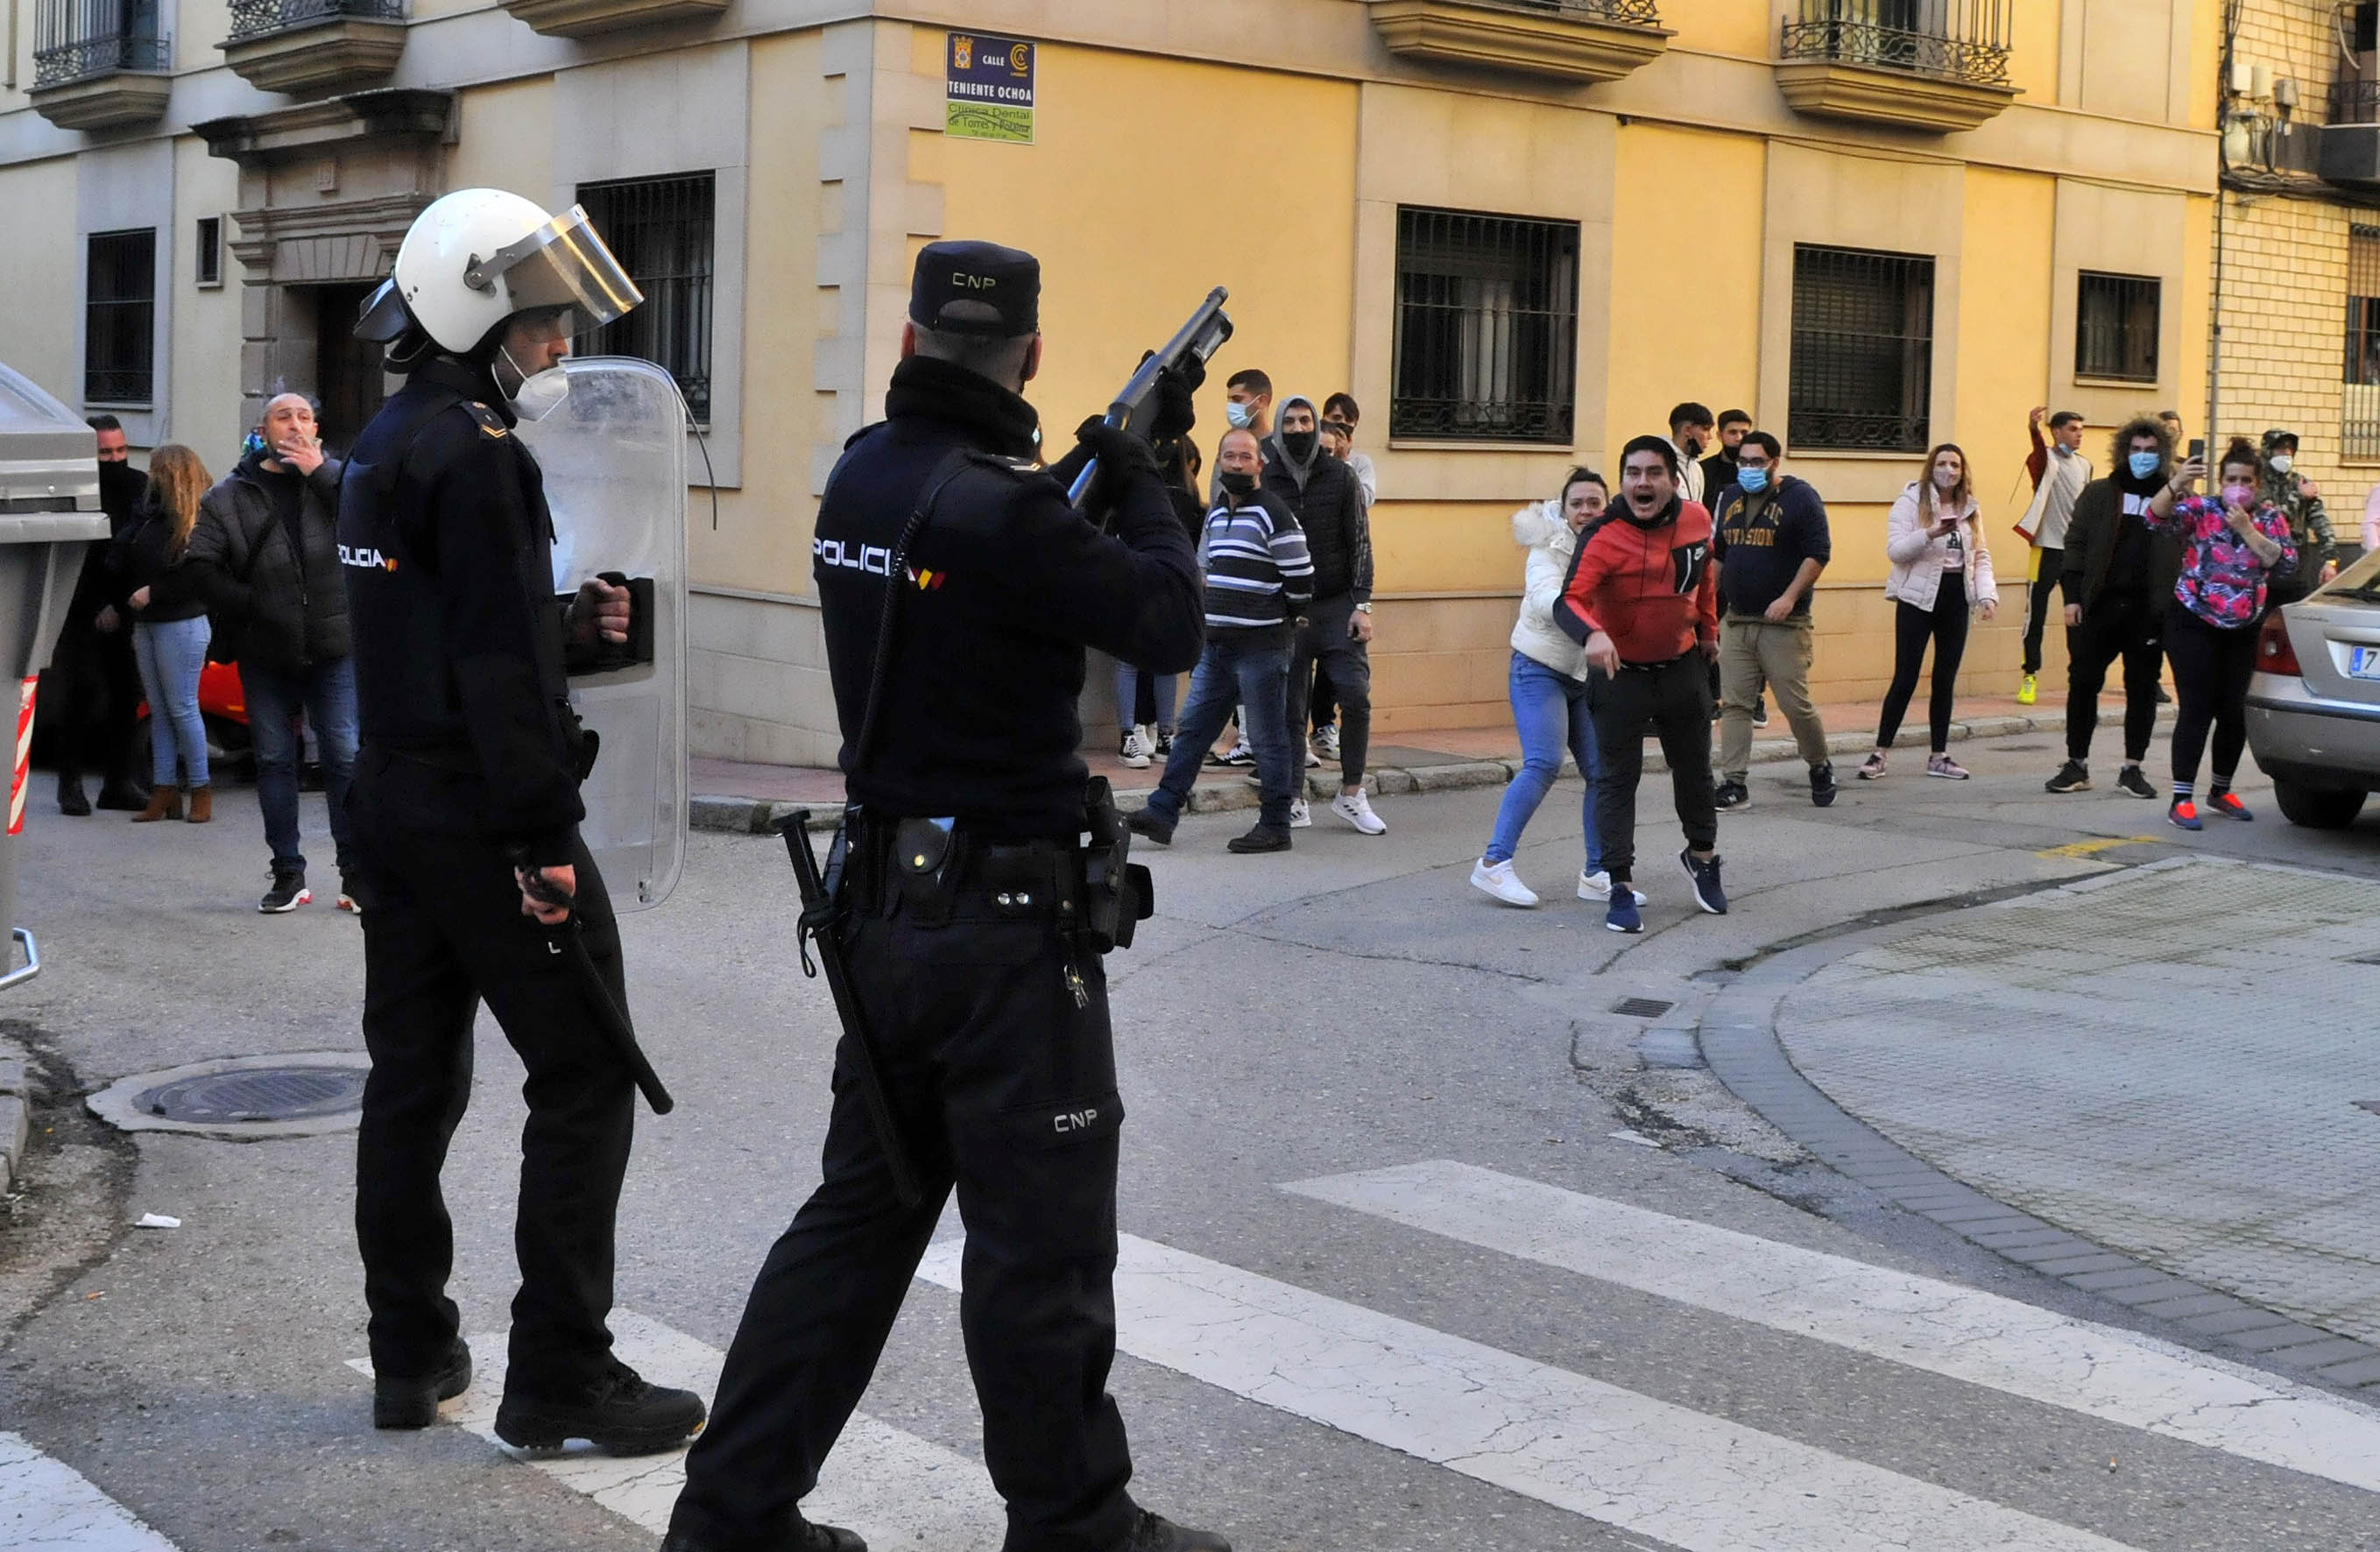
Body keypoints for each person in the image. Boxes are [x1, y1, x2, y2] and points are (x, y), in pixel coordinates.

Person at [667, 239, 1224, 1552]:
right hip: (1007, 941)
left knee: (855, 1224)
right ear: (1028, 356)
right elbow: (1168, 622)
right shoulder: (1011, 509)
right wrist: (1142, 478)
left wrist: (1088, 482)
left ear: (909, 343)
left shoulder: (866, 472)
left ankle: (731, 1514)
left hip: (884, 919)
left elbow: (988, 597)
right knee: (1040, 1252)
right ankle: (1073, 1522)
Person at [337, 189, 705, 1455]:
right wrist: (547, 841)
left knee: (414, 1081)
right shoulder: (481, 454)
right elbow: (492, 674)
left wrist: (563, 629)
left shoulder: (386, 440)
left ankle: (409, 1355)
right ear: (478, 318)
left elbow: (439, 637)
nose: (559, 346)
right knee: (589, 1074)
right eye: (543, 325)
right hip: (484, 816)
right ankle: (560, 1373)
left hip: (391, 800)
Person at [187, 393, 361, 912]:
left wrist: (322, 474)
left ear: (317, 429)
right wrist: (252, 604)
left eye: (305, 416)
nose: (295, 425)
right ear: (262, 430)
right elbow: (199, 565)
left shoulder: (340, 482)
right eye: (283, 417)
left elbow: (374, 525)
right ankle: (288, 873)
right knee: (274, 759)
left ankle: (356, 872)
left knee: (345, 755)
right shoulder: (230, 496)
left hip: (334, 645)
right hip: (266, 650)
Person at [1554, 436, 1724, 934]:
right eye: (1632, 473)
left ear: (1673, 480)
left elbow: (1705, 579)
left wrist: (1709, 630)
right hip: (1619, 674)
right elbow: (1568, 601)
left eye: (1653, 473)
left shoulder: (1696, 519)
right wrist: (1592, 633)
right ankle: (1620, 884)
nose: (1641, 483)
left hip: (1680, 666)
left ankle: (1703, 856)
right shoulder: (1604, 534)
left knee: (1695, 772)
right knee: (1615, 780)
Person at [1128, 425, 1311, 850]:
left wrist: (1284, 615)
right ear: (1218, 462)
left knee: (1268, 739)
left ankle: (1276, 825)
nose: (1236, 464)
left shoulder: (1274, 513)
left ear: (1260, 465)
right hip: (1217, 647)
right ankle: (1162, 812)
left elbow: (1302, 578)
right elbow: (1204, 571)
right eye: (1229, 456)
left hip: (1262, 648)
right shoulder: (1215, 514)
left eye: (1245, 456)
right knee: (1193, 731)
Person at [1470, 469, 1642, 909]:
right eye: (1577, 503)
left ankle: (1597, 872)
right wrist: (1588, 621)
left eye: (1594, 503)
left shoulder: (1616, 543)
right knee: (1544, 762)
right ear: (1563, 509)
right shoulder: (1547, 548)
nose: (1586, 511)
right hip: (1538, 668)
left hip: (1586, 675)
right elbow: (1547, 599)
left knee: (1601, 772)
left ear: (1607, 505)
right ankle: (1494, 863)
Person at [2144, 439, 2294, 829]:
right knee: (2197, 707)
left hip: (2244, 627)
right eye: (2231, 479)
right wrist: (2177, 481)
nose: (2238, 486)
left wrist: (2246, 529)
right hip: (2194, 620)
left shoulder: (2270, 518)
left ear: (2257, 484)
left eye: (2246, 480)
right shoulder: (2201, 510)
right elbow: (2154, 518)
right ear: (2220, 480)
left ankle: (2220, 790)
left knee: (2232, 712)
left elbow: (2283, 563)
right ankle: (2181, 798)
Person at [1267, 394, 1386, 835]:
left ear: (1317, 427)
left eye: (1305, 421)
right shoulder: (1267, 479)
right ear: (1279, 426)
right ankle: (1294, 797)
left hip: (1338, 605)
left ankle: (1352, 793)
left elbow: (1360, 542)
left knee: (1355, 695)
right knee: (1290, 710)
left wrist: (1363, 604)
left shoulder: (1341, 476)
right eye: (1290, 421)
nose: (1298, 429)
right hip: (1286, 610)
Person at [2046, 415, 2181, 797]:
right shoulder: (2100, 493)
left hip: (2148, 612)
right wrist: (2071, 597)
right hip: (2099, 605)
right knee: (2083, 681)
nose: (2142, 457)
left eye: (2150, 452)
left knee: (2141, 688)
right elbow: (2074, 545)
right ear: (2123, 452)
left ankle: (2132, 768)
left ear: (2163, 455)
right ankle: (2077, 764)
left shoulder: (2176, 501)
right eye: (2135, 450)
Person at [1708, 433, 1833, 808]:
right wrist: (1704, 605)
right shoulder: (1730, 497)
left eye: (1756, 462)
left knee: (1795, 705)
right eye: (1743, 462)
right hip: (1738, 620)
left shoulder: (1800, 498)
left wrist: (1789, 597)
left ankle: (1819, 764)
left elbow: (1818, 554)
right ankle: (1734, 782)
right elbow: (1720, 554)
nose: (1748, 469)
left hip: (1784, 624)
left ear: (1775, 462)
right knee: (1735, 705)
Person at [1861, 443, 1999, 780]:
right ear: (1930, 467)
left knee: (1945, 678)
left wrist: (1987, 595)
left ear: (1963, 471)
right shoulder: (1911, 501)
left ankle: (1939, 755)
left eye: (1955, 464)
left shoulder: (1971, 508)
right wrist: (1931, 533)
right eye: (1942, 463)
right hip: (1917, 598)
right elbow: (1896, 551)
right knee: (1905, 676)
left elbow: (1980, 555)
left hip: (1955, 596)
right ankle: (1880, 752)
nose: (1948, 470)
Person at [47, 414, 150, 815]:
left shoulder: (139, 486)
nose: (115, 459)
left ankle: (118, 783)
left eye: (121, 450)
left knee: (127, 694)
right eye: (105, 452)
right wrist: (94, 605)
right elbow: (69, 556)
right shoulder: (74, 489)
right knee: (83, 693)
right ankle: (69, 783)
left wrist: (124, 602)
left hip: (127, 608)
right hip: (80, 609)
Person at [117, 445, 215, 824]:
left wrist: (153, 592)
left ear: (171, 474)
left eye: (158, 470)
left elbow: (198, 575)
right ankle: (164, 790)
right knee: (161, 711)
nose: (150, 476)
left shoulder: (196, 520)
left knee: (182, 708)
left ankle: (200, 789)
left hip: (180, 622)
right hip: (151, 622)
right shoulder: (153, 516)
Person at [1112, 438, 1204, 768]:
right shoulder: (1189, 495)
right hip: (1167, 582)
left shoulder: (1145, 490)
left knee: (1132, 660)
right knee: (1160, 661)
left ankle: (1134, 735)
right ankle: (1161, 735)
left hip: (1139, 576)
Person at [2016, 408, 2091, 706]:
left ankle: (2079, 678)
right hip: (2045, 549)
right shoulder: (2045, 460)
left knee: (2077, 617)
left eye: (2081, 429)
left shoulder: (2085, 466)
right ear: (2057, 431)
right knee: (2034, 616)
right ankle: (2029, 676)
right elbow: (2036, 453)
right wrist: (2033, 429)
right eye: (2073, 429)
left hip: (2074, 554)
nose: (2079, 434)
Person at [2257, 427, 2336, 607]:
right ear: (2267, 450)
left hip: (2296, 572)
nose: (2286, 453)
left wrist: (2330, 560)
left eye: (2290, 448)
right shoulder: (2255, 482)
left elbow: (2321, 522)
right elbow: (2271, 521)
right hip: (2262, 572)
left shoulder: (2300, 482)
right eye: (2280, 448)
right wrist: (2298, 496)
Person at [1667, 401, 1716, 507]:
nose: (1710, 436)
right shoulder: (1660, 464)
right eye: (1706, 429)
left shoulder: (1696, 468)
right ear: (1687, 430)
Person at [1700, 408, 1752, 500]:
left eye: (1744, 433)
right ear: (1720, 436)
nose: (1739, 438)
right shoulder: (1702, 470)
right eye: (1733, 432)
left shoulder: (1756, 471)